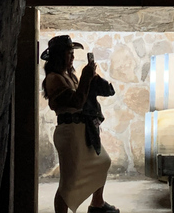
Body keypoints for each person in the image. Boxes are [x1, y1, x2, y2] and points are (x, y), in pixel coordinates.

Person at [41, 35, 120, 213]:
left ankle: (97, 204)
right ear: (59, 56)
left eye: (72, 53)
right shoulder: (54, 78)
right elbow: (76, 102)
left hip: (81, 131)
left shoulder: (70, 76)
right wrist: (86, 76)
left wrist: (91, 78)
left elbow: (85, 98)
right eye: (69, 54)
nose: (72, 57)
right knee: (68, 181)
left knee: (102, 161)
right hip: (69, 132)